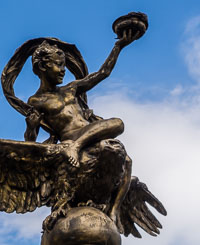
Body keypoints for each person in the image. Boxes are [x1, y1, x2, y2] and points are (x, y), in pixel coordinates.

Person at [24, 29, 139, 226]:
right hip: (69, 138)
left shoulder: (71, 88)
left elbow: (103, 73)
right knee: (120, 146)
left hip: (88, 134)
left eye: (64, 66)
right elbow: (30, 145)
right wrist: (31, 127)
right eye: (58, 65)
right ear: (42, 66)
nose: (63, 70)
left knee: (121, 139)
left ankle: (113, 210)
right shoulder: (36, 101)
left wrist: (118, 46)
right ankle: (75, 146)